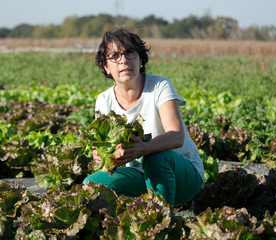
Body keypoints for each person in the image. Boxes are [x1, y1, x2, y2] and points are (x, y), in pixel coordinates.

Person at [83, 28, 204, 207]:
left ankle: (160, 218)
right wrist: (104, 155)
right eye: (115, 56)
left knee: (155, 157)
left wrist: (144, 148)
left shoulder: (159, 86)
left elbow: (177, 135)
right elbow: (107, 148)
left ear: (140, 59)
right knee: (92, 185)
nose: (123, 60)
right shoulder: (104, 100)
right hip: (140, 176)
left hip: (182, 176)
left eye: (130, 53)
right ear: (106, 67)